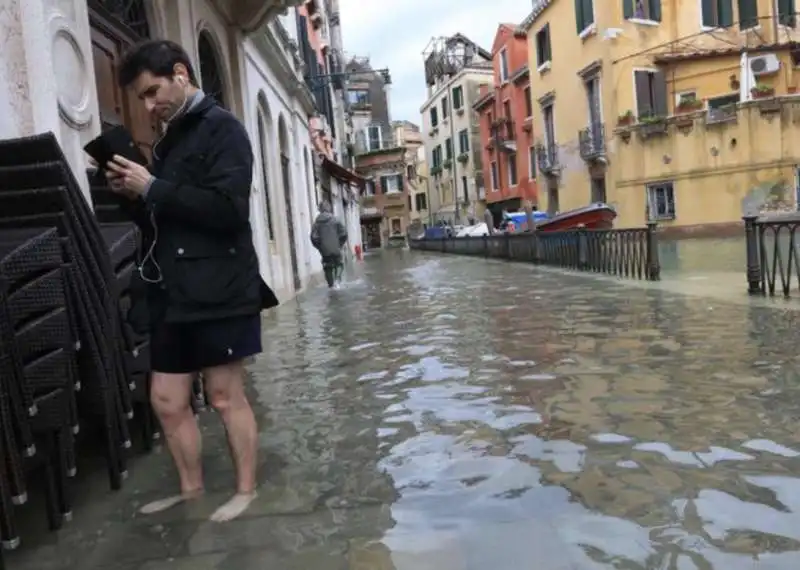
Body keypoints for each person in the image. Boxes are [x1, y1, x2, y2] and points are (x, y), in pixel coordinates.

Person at [100, 39, 278, 522]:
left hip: (221, 287)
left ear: (181, 73)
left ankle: (246, 490)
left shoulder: (225, 129)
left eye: (152, 91)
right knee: (166, 399)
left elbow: (228, 210)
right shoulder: (168, 139)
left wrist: (153, 186)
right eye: (141, 98)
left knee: (223, 396)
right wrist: (133, 196)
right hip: (170, 291)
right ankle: (192, 489)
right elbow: (165, 219)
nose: (148, 105)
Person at [311, 201, 347, 288]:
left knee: (327, 266)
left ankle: (331, 286)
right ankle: (337, 280)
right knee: (339, 263)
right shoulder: (335, 220)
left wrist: (320, 247)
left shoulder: (316, 223)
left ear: (320, 209)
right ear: (329, 208)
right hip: (336, 248)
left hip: (324, 250)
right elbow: (344, 233)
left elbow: (314, 238)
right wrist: (340, 244)